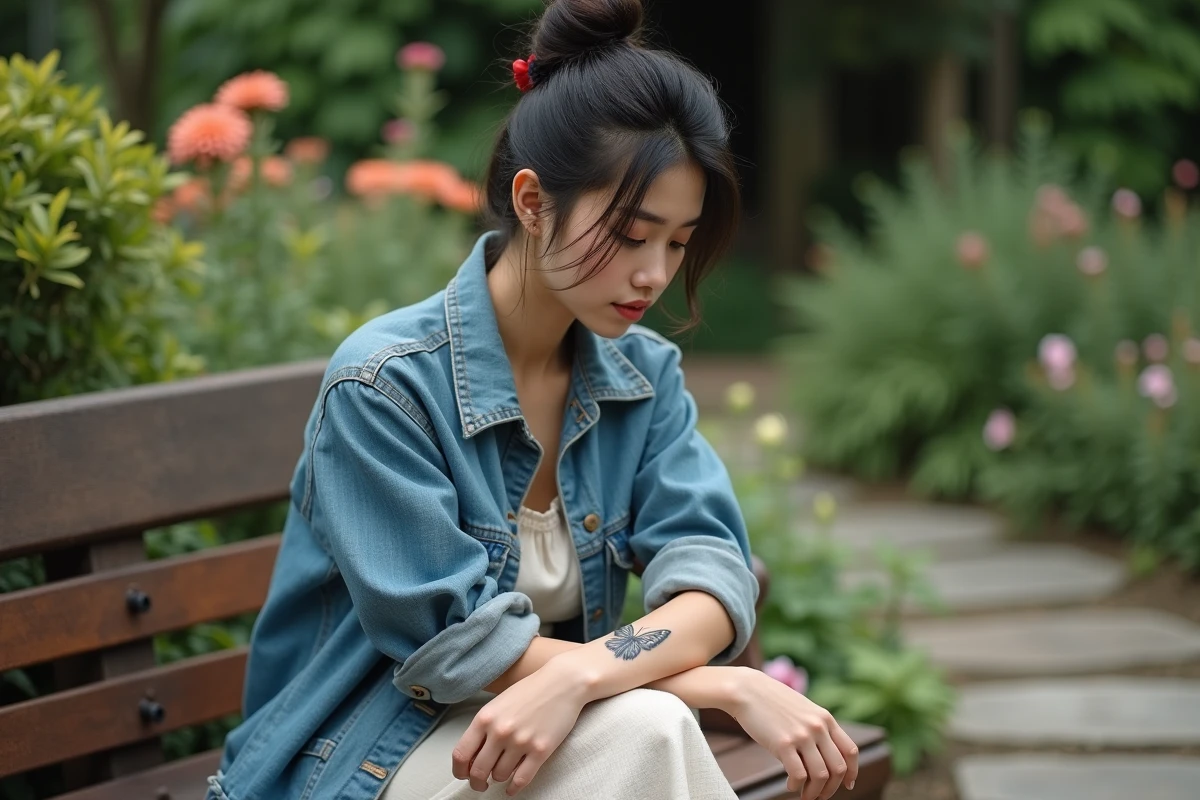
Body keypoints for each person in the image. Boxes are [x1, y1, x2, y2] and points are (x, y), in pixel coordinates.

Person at [204, 1, 859, 799]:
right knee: (651, 731)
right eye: (631, 234)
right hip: (360, 752)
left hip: (536, 734)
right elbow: (455, 648)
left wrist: (578, 679)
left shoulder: (642, 380)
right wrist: (716, 684)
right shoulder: (385, 386)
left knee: (643, 737)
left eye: (679, 242)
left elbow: (712, 574)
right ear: (531, 200)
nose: (654, 273)